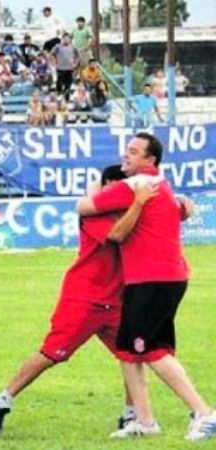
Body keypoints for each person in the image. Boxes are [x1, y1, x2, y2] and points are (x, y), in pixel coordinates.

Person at [0, 164, 162, 433]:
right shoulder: (94, 214)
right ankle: (0, 400)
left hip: (116, 299)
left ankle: (131, 414)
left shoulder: (128, 211)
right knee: (53, 353)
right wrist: (136, 203)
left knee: (132, 356)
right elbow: (118, 234)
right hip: (84, 297)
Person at [76, 134, 216, 441]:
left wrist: (93, 188)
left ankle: (204, 413)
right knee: (128, 351)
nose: (125, 155)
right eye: (126, 150)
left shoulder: (133, 186)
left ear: (149, 160)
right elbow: (174, 212)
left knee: (151, 350)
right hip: (159, 278)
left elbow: (84, 207)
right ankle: (144, 421)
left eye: (133, 151)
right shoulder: (161, 184)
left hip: (154, 280)